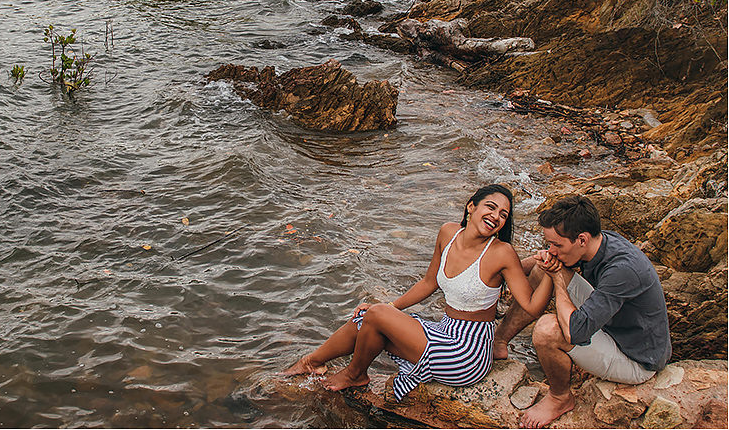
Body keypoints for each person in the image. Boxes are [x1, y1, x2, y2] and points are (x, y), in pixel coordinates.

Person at [282, 184, 554, 401]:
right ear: (471, 206)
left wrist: (553, 276)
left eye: (503, 215)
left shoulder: (501, 253)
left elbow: (530, 306)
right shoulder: (448, 233)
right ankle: (310, 362)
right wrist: (391, 308)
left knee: (376, 316)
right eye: (491, 207)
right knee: (367, 320)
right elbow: (428, 283)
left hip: (468, 351)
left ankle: (355, 374)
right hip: (446, 329)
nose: (496, 217)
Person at [492, 195, 672, 429]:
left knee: (548, 330)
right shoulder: (598, 242)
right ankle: (499, 341)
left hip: (636, 359)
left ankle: (559, 398)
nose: (551, 249)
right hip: (616, 324)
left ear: (581, 240)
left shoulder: (623, 270)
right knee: (541, 269)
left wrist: (558, 278)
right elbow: (544, 262)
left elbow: (575, 332)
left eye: (557, 245)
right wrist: (498, 269)